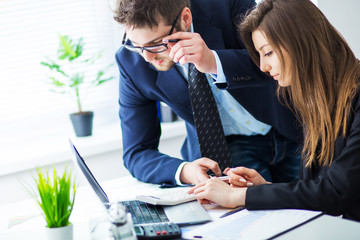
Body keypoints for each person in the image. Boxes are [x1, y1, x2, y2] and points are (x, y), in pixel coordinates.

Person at [190, 0, 360, 221]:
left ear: (301, 42)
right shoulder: (319, 100)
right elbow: (317, 189)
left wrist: (243, 195)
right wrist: (265, 187)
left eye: (268, 53)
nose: (262, 67)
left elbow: (336, 192)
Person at [113, 0, 302, 187]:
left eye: (155, 43)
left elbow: (277, 58)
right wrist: (184, 170)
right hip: (224, 154)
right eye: (135, 44)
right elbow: (136, 152)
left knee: (314, 211)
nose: (148, 57)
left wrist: (214, 62)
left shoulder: (225, 5)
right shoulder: (131, 62)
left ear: (185, 18)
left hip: (289, 128)